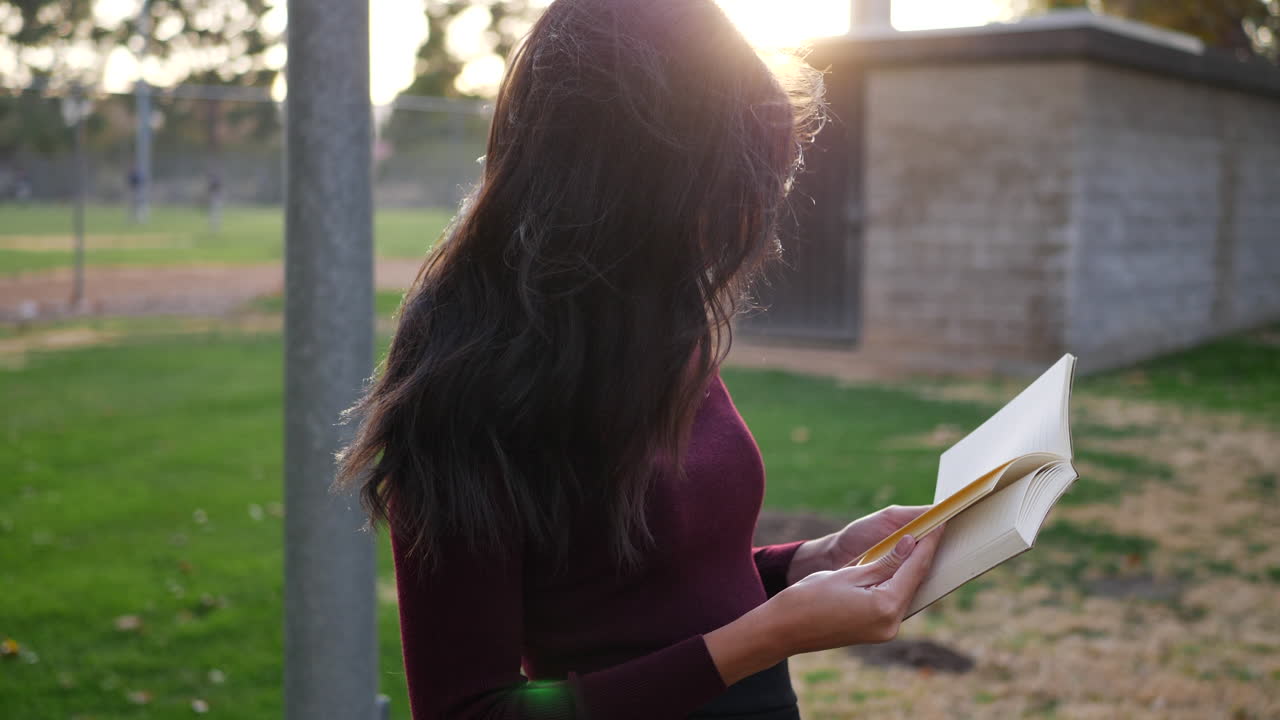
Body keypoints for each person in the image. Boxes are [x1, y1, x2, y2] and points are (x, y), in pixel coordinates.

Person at [334, 0, 943, 717]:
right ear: (635, 184)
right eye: (728, 191)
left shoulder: (650, 312)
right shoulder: (467, 379)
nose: (750, 223)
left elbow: (649, 593)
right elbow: (469, 709)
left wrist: (809, 561)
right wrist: (762, 637)